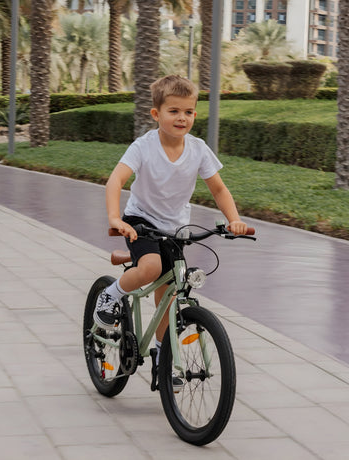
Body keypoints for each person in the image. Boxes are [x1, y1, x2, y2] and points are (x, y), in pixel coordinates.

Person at [94, 75, 248, 369]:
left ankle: (161, 358)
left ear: (194, 115)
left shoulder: (198, 149)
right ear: (156, 114)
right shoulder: (144, 146)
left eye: (188, 112)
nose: (182, 118)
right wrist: (115, 218)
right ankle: (109, 296)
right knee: (151, 268)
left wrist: (234, 220)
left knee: (170, 293)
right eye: (174, 111)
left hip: (175, 228)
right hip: (140, 220)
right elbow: (116, 180)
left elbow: (218, 189)